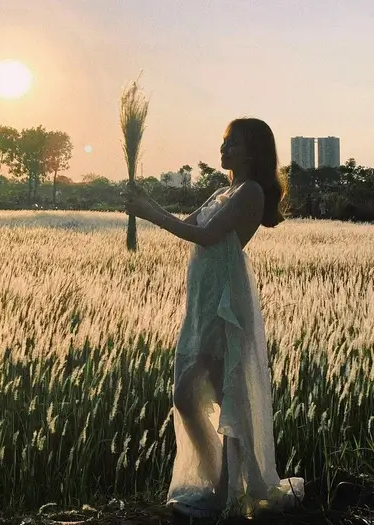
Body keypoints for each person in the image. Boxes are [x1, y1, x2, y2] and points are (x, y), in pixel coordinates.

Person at [123, 118, 304, 518]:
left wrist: (150, 213)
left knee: (224, 399)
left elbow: (207, 237)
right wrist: (148, 205)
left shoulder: (251, 191)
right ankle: (218, 477)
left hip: (225, 302)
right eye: (224, 142)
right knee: (187, 396)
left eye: (232, 143)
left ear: (253, 152)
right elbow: (188, 225)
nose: (224, 149)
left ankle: (226, 493)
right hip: (204, 302)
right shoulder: (223, 191)